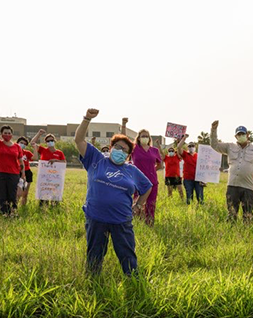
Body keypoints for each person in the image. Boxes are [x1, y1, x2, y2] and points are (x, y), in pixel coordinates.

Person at [75, 108, 152, 276]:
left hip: (121, 220)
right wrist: (87, 118)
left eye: (125, 150)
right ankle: (93, 281)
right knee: (95, 254)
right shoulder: (96, 159)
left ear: (128, 155)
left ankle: (133, 281)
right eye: (118, 147)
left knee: (127, 255)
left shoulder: (131, 170)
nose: (120, 151)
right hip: (96, 218)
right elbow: (79, 139)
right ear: (111, 147)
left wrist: (138, 205)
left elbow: (147, 187)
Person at [211, 120, 253, 223]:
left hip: (248, 187)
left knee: (248, 214)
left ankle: (246, 234)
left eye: (243, 134)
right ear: (236, 137)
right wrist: (213, 129)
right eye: (238, 134)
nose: (241, 136)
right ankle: (231, 232)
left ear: (247, 135)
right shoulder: (230, 146)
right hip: (232, 186)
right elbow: (215, 145)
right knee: (231, 213)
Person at [0, 112, 24, 217]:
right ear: (1, 134)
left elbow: (21, 162)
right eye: (5, 133)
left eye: (9, 133)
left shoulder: (17, 147)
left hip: (13, 174)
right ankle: (3, 215)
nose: (7, 134)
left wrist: (23, 176)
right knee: (1, 196)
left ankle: (13, 214)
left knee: (12, 196)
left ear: (12, 134)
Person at [129, 128, 163, 226]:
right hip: (137, 181)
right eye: (143, 136)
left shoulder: (154, 150)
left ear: (149, 138)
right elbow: (124, 142)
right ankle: (138, 224)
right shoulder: (134, 149)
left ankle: (150, 223)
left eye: (147, 136)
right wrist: (123, 125)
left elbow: (160, 165)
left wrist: (152, 171)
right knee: (138, 203)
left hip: (152, 181)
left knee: (151, 204)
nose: (145, 138)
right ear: (138, 138)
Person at [29, 129, 67, 207]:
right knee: (43, 199)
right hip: (44, 179)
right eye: (48, 141)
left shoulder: (59, 153)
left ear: (54, 141)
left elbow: (64, 162)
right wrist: (39, 134)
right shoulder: (43, 150)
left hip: (55, 179)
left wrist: (56, 160)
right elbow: (32, 143)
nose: (50, 142)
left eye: (51, 140)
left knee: (54, 199)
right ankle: (43, 209)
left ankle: (54, 208)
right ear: (46, 143)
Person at [175, 135, 203, 204]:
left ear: (195, 147)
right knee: (189, 197)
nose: (191, 147)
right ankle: (190, 210)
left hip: (198, 179)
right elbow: (178, 147)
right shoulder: (185, 154)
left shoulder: (199, 155)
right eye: (189, 146)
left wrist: (204, 179)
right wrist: (184, 138)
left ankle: (201, 210)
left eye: (192, 146)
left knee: (200, 196)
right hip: (188, 179)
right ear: (188, 148)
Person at [16, 136, 34, 209]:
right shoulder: (14, 151)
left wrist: (35, 148)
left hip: (27, 172)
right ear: (17, 143)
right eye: (21, 143)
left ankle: (23, 207)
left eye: (24, 144)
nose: (22, 144)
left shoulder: (27, 153)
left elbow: (35, 158)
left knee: (25, 193)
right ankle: (14, 207)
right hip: (17, 172)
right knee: (18, 193)